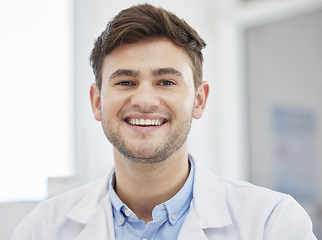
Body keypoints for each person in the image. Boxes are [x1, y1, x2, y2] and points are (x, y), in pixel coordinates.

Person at [11, 3, 317, 240]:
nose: (145, 100)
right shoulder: (43, 228)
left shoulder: (272, 223)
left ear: (199, 100)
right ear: (96, 101)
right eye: (126, 82)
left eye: (166, 82)